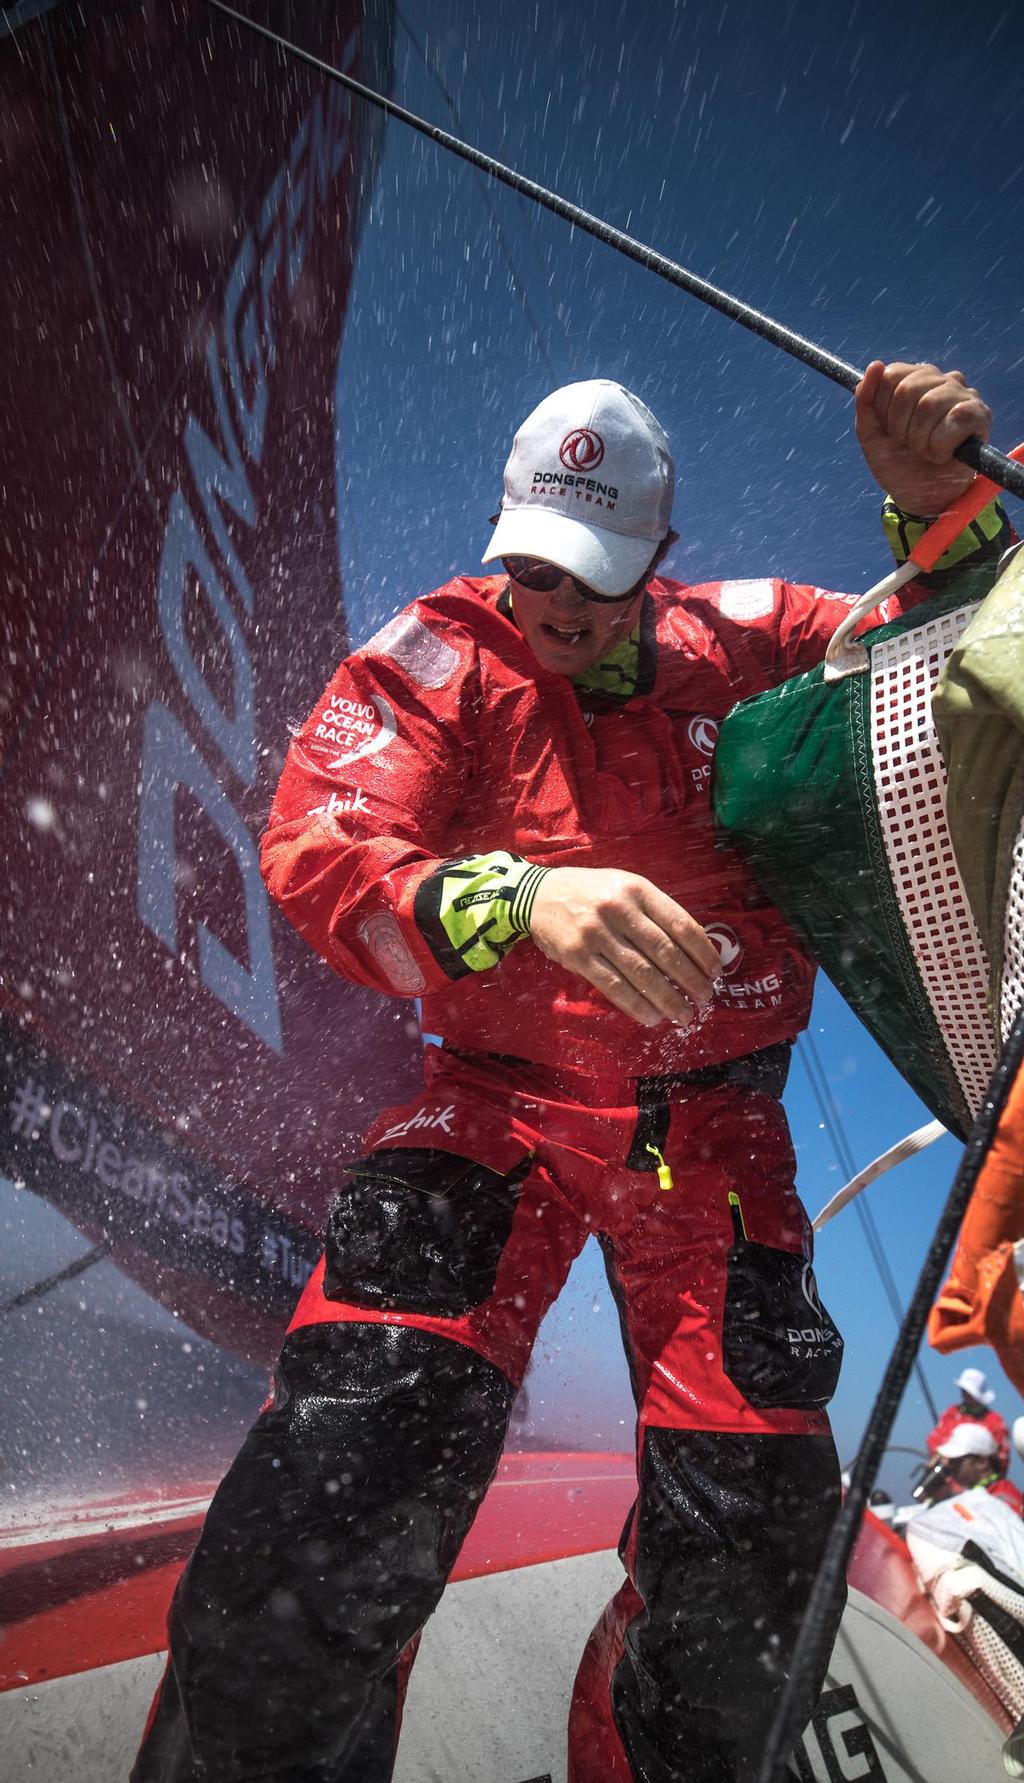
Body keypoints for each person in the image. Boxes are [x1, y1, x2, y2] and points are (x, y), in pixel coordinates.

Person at [134, 361, 1006, 1783]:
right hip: (487, 1106)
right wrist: (518, 897)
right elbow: (317, 844)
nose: (555, 603)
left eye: (594, 577)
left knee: (745, 1591)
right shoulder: (438, 653)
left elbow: (951, 660)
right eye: (534, 562)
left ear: (659, 556)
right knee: (322, 1519)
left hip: (717, 1141)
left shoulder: (761, 637)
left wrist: (938, 503)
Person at [927, 1365, 1011, 1475]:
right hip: (946, 1474)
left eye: (968, 1392)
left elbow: (1002, 1459)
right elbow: (934, 1439)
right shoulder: (951, 1413)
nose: (964, 1394)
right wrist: (938, 1455)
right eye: (963, 1390)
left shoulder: (996, 1422)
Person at [932, 1423, 1023, 1514]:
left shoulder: (1002, 1500)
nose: (950, 1466)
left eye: (956, 1461)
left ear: (982, 1462)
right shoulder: (983, 1493)